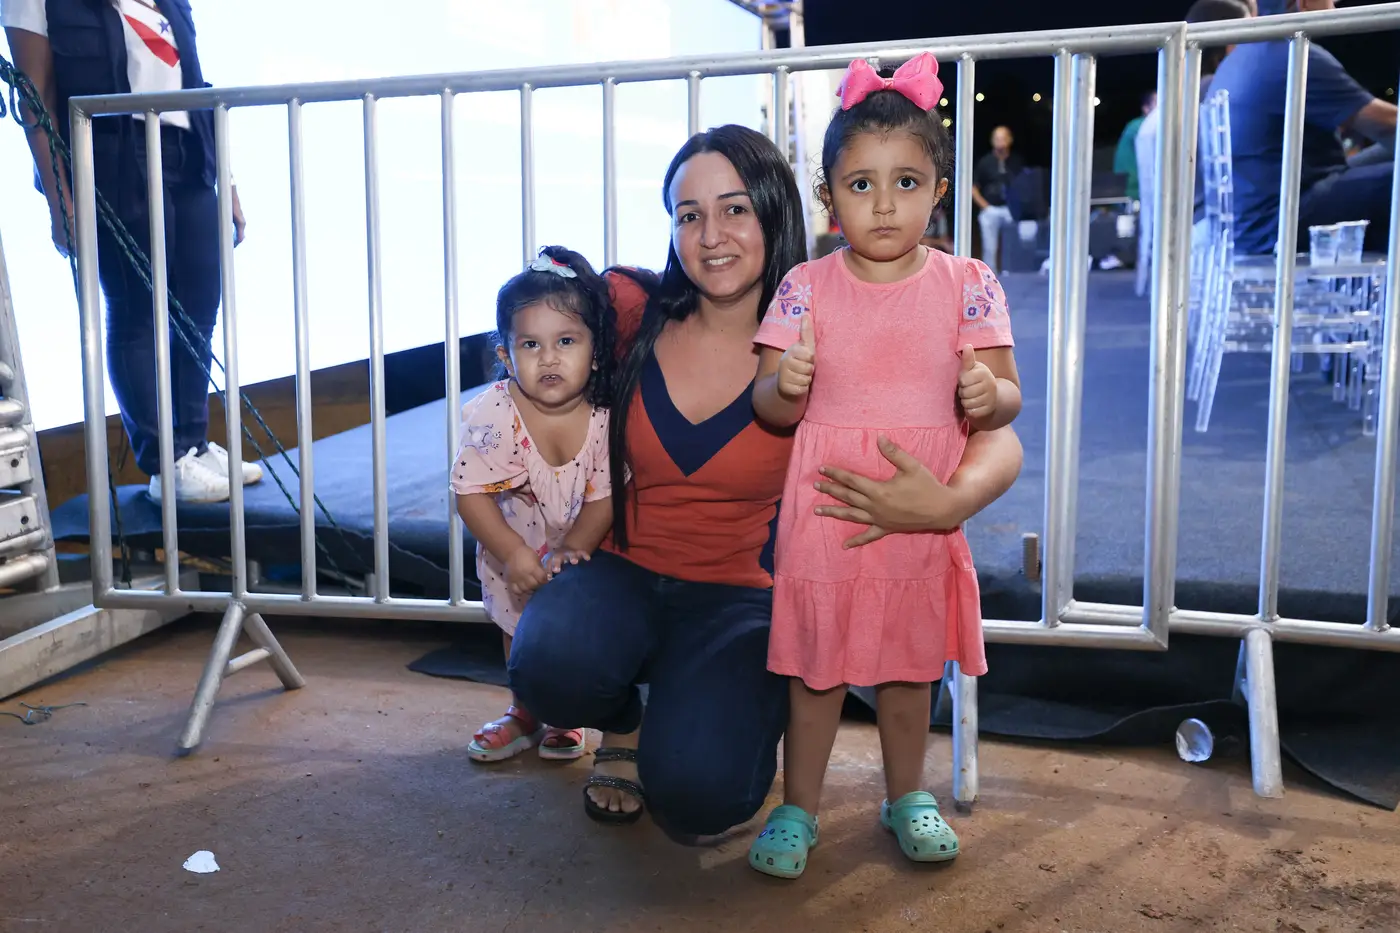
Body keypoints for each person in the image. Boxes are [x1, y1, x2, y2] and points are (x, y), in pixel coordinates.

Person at [505, 123, 1025, 840]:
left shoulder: (824, 316)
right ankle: (621, 722)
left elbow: (999, 434)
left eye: (734, 208)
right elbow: (533, 334)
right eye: (689, 215)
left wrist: (950, 500)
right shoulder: (632, 314)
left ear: (776, 208)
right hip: (621, 571)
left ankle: (691, 722)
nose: (711, 234)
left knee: (698, 797)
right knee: (548, 663)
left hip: (743, 602)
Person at [744, 54, 1020, 879]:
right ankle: (799, 806)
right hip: (827, 512)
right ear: (828, 197)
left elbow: (1007, 399)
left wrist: (986, 393)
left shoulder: (969, 283)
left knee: (908, 668)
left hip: (921, 504)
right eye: (860, 184)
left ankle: (908, 794)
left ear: (939, 190)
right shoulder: (803, 286)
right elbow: (768, 407)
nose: (885, 201)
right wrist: (783, 385)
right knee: (816, 671)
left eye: (906, 181)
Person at [2, 0, 257, 503]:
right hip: (115, 158)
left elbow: (194, 82)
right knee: (138, 309)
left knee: (199, 304)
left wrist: (225, 177)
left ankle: (194, 440)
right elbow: (35, 97)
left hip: (188, 153)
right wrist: (59, 198)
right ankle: (167, 462)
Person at [450, 246, 617, 764]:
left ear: (595, 349)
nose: (549, 358)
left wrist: (574, 550)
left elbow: (605, 497)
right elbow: (468, 490)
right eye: (531, 344)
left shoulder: (607, 411)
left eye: (566, 341)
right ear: (506, 355)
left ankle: (563, 713)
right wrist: (512, 551)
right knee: (515, 625)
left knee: (574, 633)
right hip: (515, 545)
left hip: (583, 548)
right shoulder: (498, 411)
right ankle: (524, 710)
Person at [1209, 0, 1397, 256]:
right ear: (1303, 3)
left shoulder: (1244, 56)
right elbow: (1388, 126)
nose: (1336, 2)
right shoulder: (1294, 53)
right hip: (1283, 220)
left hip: (1253, 223)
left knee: (1386, 158)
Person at [972, 125, 1022, 271]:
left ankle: (1013, 271)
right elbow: (973, 186)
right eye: (997, 138)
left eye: (1003, 138)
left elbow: (1024, 184)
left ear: (1010, 140)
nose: (1000, 141)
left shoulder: (1016, 161)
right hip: (991, 208)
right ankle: (990, 275)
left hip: (1012, 210)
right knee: (990, 246)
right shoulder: (985, 162)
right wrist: (985, 206)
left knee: (1019, 240)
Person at [1115, 92, 1157, 203]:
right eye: (1158, 103)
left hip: (1138, 189)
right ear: (1146, 109)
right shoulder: (1141, 126)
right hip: (1134, 190)